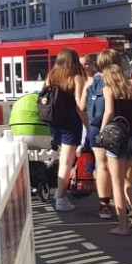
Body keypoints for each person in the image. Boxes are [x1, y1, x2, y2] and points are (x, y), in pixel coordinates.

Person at [99, 60, 132, 235]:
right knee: (125, 179)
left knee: (117, 183)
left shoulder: (108, 90)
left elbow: (109, 112)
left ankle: (123, 226)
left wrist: (102, 133)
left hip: (117, 139)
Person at [44, 47, 87, 212]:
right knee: (67, 161)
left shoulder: (51, 76)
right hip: (70, 122)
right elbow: (79, 106)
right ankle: (60, 197)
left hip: (54, 121)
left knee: (63, 158)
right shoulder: (76, 77)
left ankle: (60, 195)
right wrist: (88, 126)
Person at [80, 53, 114, 219]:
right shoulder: (120, 81)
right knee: (118, 167)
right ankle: (123, 201)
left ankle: (104, 204)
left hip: (95, 128)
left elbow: (81, 106)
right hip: (118, 128)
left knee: (102, 165)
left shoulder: (92, 82)